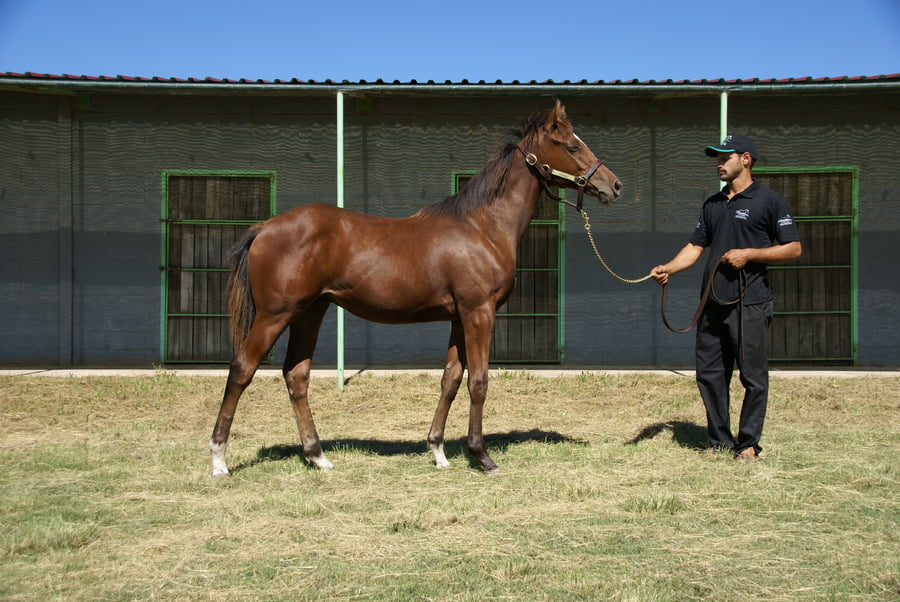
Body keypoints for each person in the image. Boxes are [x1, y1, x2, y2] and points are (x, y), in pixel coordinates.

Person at [651, 134, 802, 461]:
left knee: (752, 376)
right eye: (716, 158)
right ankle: (719, 441)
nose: (718, 163)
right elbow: (695, 248)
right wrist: (669, 269)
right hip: (712, 304)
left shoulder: (769, 201)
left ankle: (747, 444)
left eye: (724, 157)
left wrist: (750, 254)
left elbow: (793, 248)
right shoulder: (713, 204)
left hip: (750, 302)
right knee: (709, 375)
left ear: (745, 159)